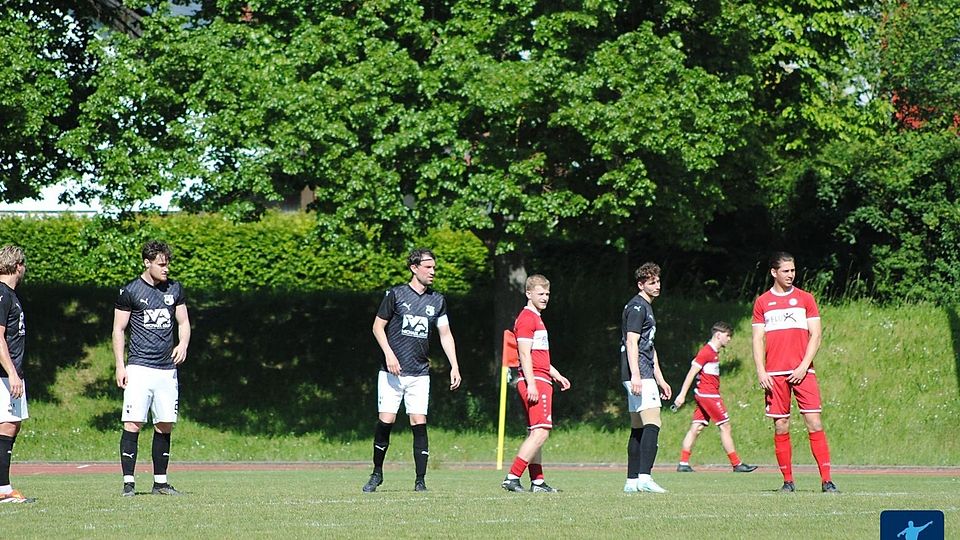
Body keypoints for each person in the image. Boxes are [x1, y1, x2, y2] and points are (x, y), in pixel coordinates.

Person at [362, 248, 461, 493]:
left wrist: (454, 365)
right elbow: (377, 327)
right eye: (428, 267)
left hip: (419, 373)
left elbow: (445, 334)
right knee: (386, 420)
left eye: (434, 267)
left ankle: (420, 481)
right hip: (392, 372)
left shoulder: (437, 300)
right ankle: (376, 473)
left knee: (419, 421)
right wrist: (389, 354)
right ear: (414, 268)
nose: (432, 272)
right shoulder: (395, 294)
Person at [752, 251, 838, 493]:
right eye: (786, 271)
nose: (791, 274)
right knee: (781, 425)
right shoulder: (762, 302)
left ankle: (827, 481)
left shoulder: (805, 299)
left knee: (814, 422)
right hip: (774, 375)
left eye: (793, 270)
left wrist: (803, 366)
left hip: (803, 372)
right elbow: (757, 339)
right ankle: (788, 482)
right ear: (774, 272)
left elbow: (816, 335)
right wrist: (761, 371)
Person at [113, 240, 191, 497]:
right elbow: (118, 329)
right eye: (161, 264)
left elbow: (183, 322)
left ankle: (160, 483)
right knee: (133, 423)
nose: (166, 268)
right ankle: (128, 483)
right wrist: (120, 365)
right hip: (140, 367)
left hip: (167, 369)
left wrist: (183, 343)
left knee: (164, 424)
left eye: (167, 264)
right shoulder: (130, 291)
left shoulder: (175, 289)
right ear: (147, 263)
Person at [501, 274, 571, 493]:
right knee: (541, 432)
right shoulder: (527, 318)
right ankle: (512, 477)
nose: (545, 298)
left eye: (547, 294)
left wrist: (556, 374)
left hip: (542, 378)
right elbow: (523, 354)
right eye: (540, 293)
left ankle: (537, 482)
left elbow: (538, 356)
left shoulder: (537, 318)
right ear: (528, 293)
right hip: (536, 381)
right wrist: (531, 384)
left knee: (536, 433)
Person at [673, 321, 758, 473]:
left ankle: (683, 463)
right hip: (708, 395)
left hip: (704, 395)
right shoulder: (706, 352)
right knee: (725, 426)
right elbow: (692, 373)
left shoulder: (713, 352)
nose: (729, 339)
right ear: (718, 335)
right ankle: (736, 464)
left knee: (697, 427)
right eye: (727, 336)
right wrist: (682, 395)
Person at [620, 263, 672, 493]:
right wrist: (637, 375)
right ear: (641, 285)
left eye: (658, 281)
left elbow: (649, 346)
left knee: (638, 426)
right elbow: (632, 342)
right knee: (653, 422)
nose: (657, 285)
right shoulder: (638, 307)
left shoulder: (646, 307)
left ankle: (632, 481)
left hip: (642, 371)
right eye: (652, 282)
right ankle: (645, 477)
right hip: (638, 371)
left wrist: (660, 379)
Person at [0, 245, 34, 503]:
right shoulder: (2, 294)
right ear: (18, 265)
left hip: (11, 373)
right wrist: (11, 372)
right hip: (3, 374)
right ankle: (3, 490)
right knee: (7, 425)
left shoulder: (10, 294)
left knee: (12, 425)